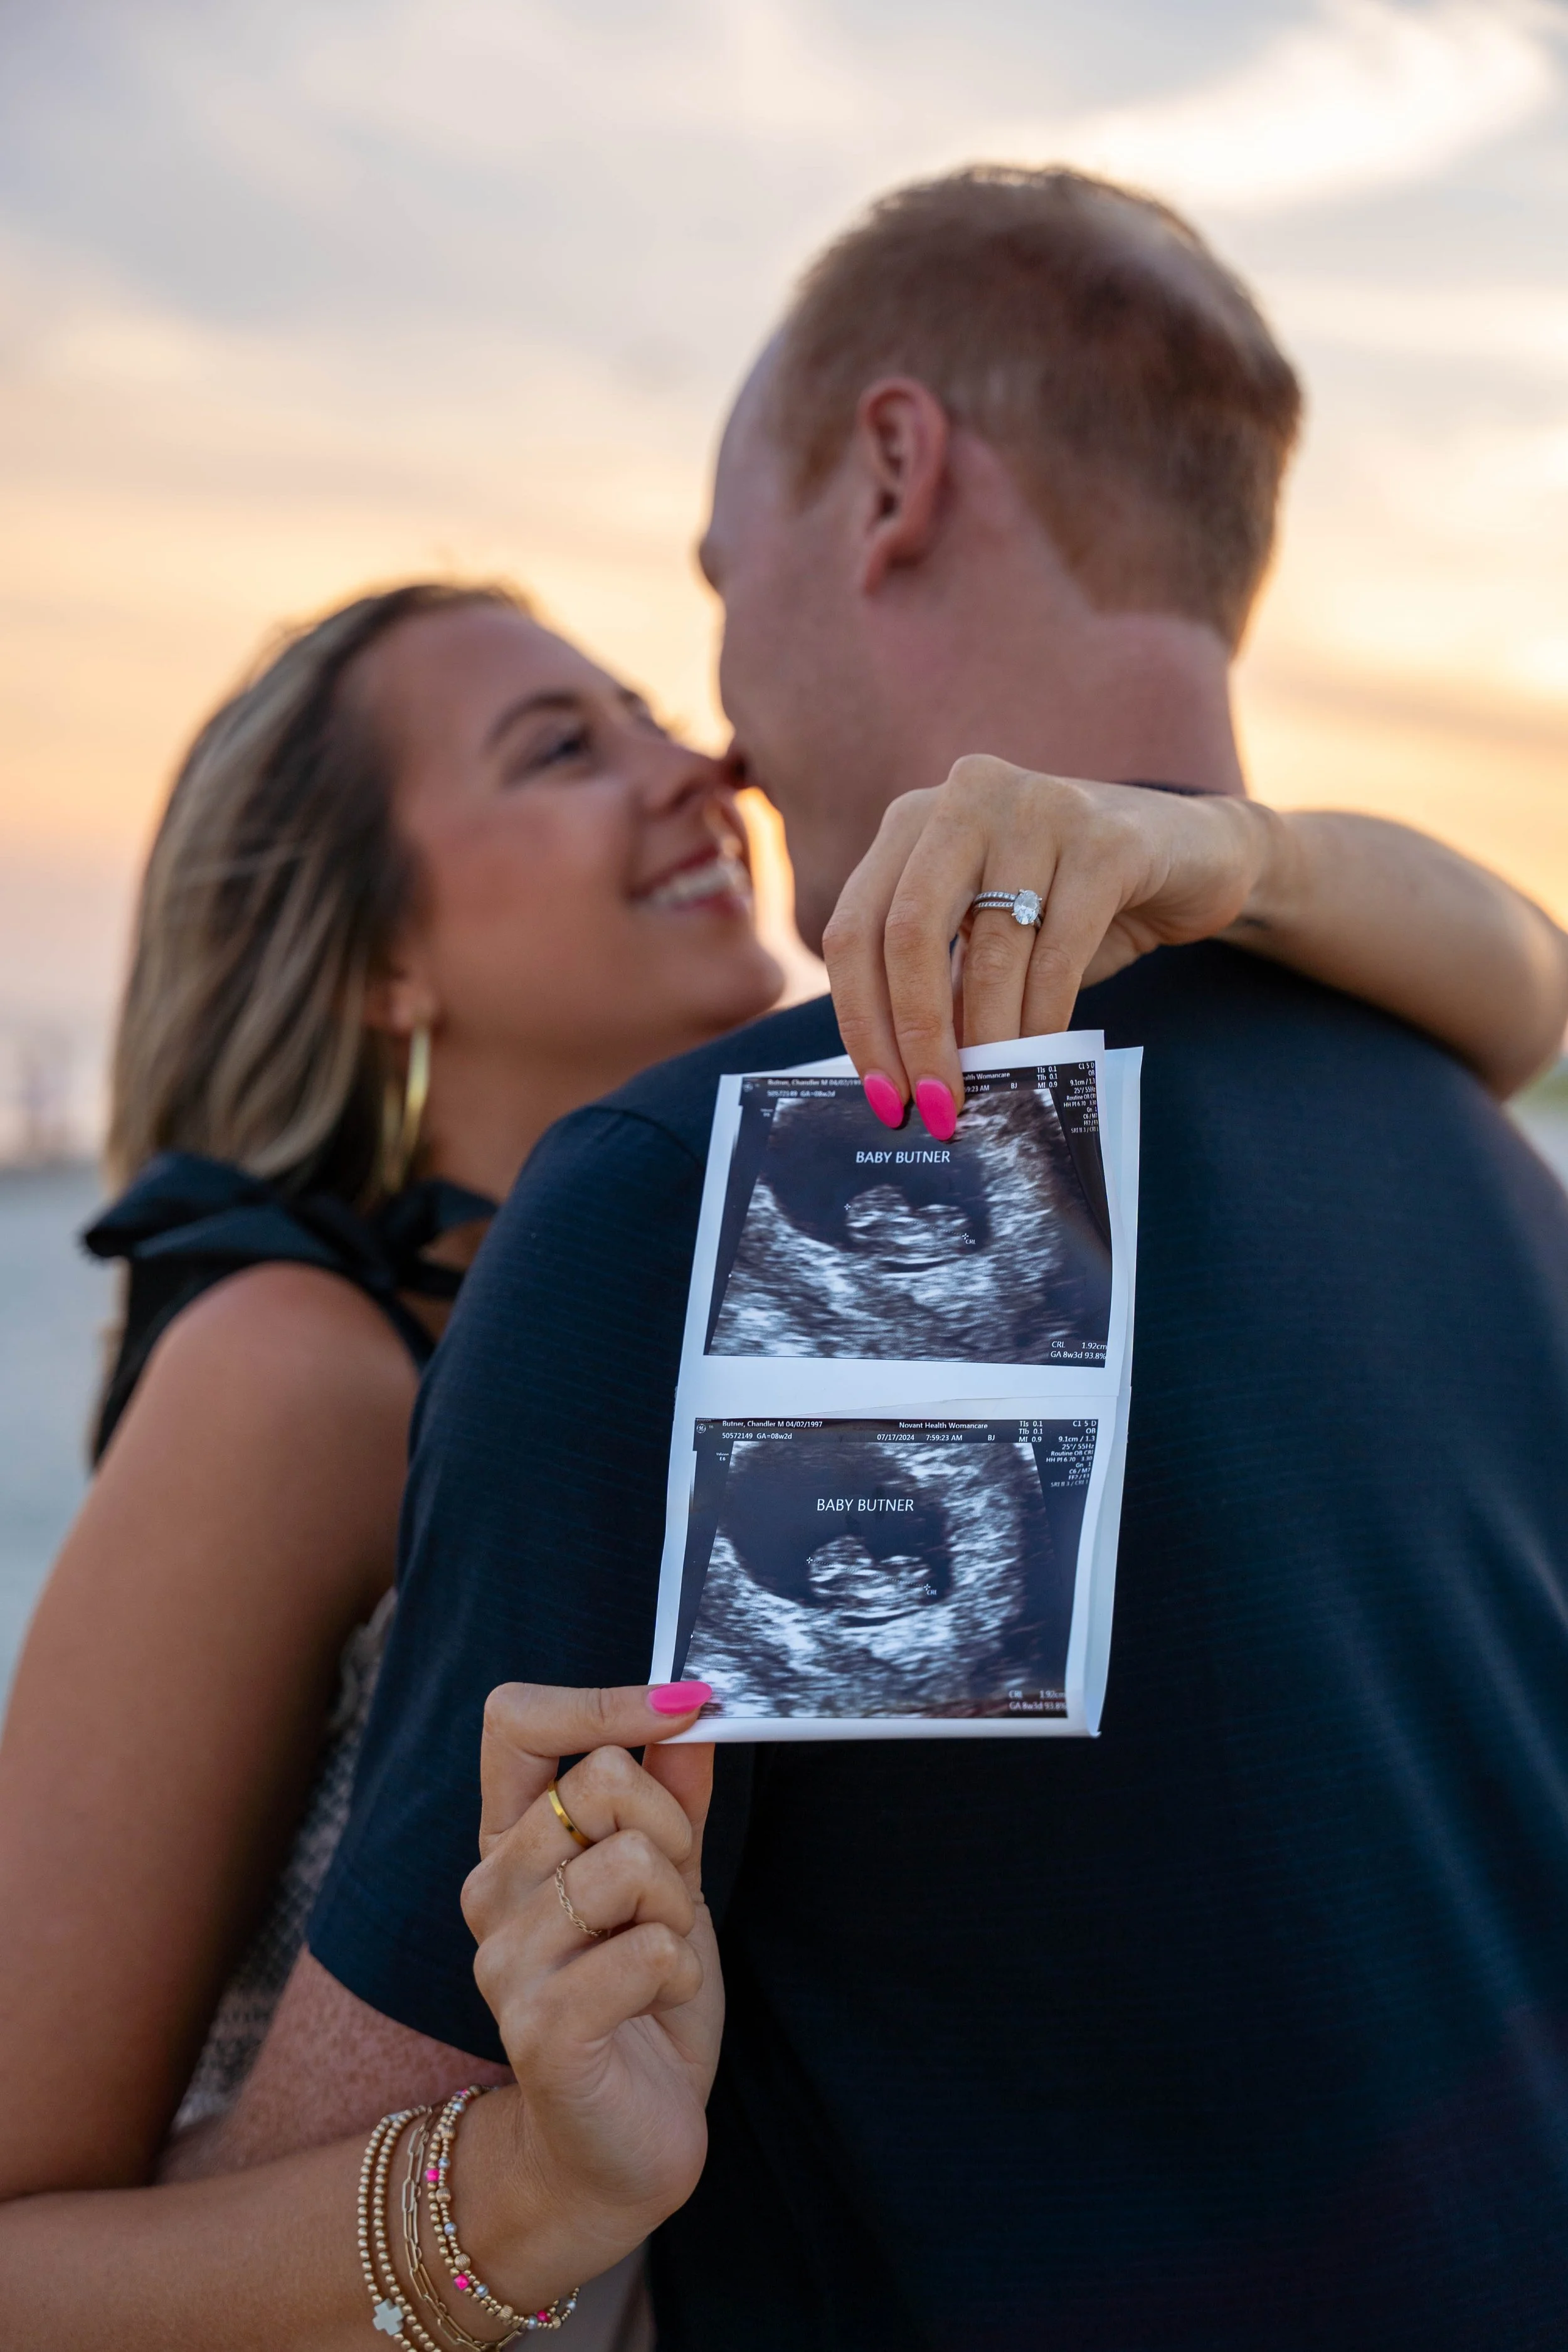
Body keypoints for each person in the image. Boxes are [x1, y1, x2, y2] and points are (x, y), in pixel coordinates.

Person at [3, 176, 1566, 2348]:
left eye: (711, 602)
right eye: (569, 741)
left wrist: (527, 2195)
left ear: (898, 477)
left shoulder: (846, 1174)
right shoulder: (1468, 1141)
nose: (707, 751)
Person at [0, 578, 781, 2340]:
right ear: (380, 960)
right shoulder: (295, 1372)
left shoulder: (711, 1309)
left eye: (652, 710)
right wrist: (518, 2194)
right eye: (563, 746)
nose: (694, 768)